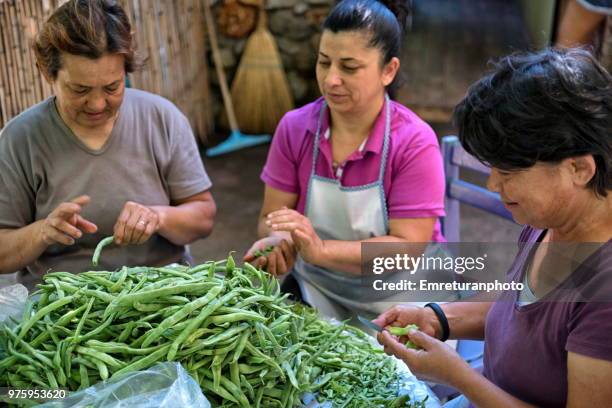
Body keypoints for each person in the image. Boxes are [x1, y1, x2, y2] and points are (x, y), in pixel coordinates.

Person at [375, 48, 612, 407]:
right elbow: (521, 310)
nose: (492, 186)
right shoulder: (551, 218)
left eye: (508, 173)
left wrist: (458, 376)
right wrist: (437, 318)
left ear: (579, 169)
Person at [245, 0, 447, 320]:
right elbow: (272, 215)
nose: (331, 80)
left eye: (349, 67)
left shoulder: (414, 142)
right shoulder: (295, 128)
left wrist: (322, 250)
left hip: (403, 294)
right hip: (319, 287)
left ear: (388, 70)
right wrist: (279, 241)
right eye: (324, 62)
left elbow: (408, 249)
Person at [0, 0, 216, 290]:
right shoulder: (20, 138)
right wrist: (43, 232)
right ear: (47, 73)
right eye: (80, 89)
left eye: (113, 87)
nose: (98, 104)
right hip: (63, 306)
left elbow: (203, 218)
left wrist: (158, 216)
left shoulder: (162, 118)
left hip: (163, 291)